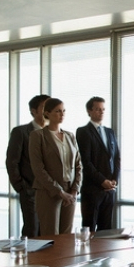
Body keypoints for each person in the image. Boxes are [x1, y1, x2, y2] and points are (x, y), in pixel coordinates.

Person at [29, 98, 82, 235]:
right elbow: (38, 169)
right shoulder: (38, 136)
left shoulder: (70, 136)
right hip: (48, 191)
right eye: (58, 111)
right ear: (47, 113)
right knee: (50, 235)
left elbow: (78, 165)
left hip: (70, 191)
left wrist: (74, 190)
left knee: (66, 236)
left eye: (63, 111)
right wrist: (59, 192)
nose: (62, 114)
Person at [5, 94, 50, 237]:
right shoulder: (21, 132)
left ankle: (46, 260)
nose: (47, 111)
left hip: (51, 192)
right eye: (44, 108)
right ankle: (29, 259)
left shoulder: (55, 133)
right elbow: (12, 162)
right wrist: (22, 187)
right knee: (32, 229)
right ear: (33, 111)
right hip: (30, 190)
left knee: (49, 232)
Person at [76, 96, 120, 232]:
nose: (101, 112)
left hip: (109, 190)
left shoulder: (109, 132)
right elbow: (85, 162)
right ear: (89, 111)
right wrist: (102, 181)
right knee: (89, 229)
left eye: (103, 109)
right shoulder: (83, 132)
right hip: (93, 189)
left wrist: (114, 180)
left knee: (106, 230)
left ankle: (104, 254)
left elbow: (117, 158)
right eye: (97, 109)